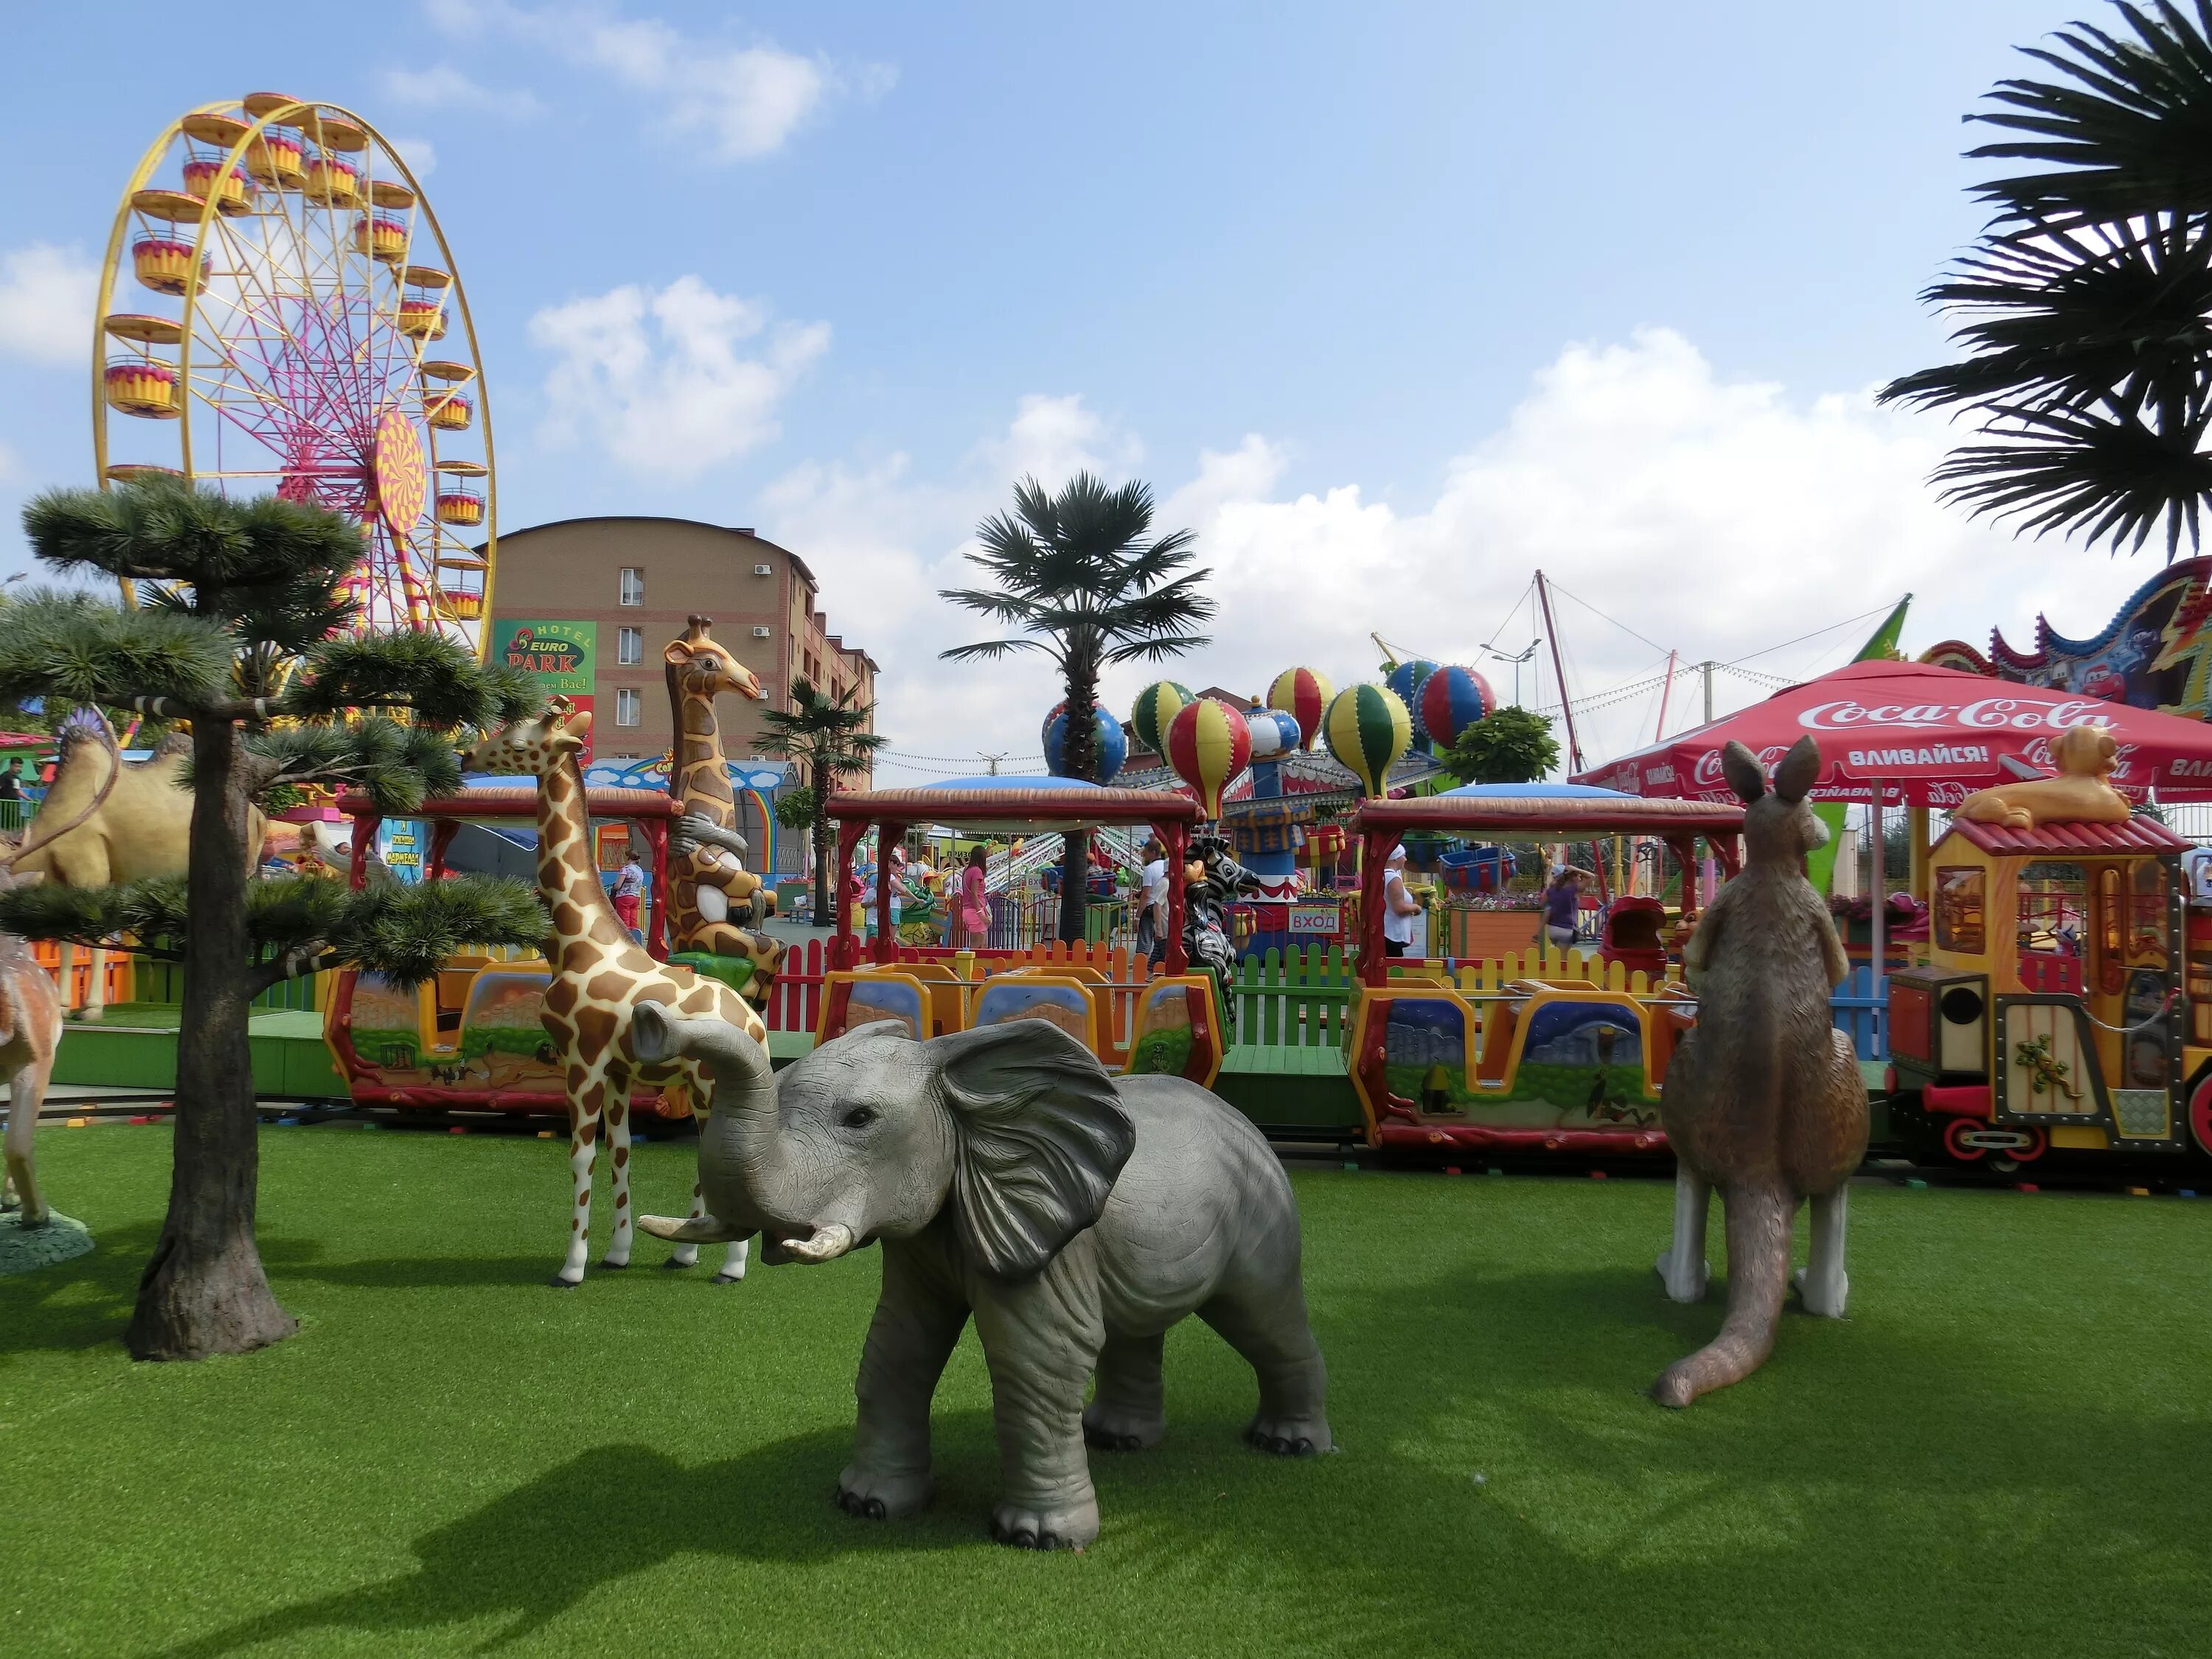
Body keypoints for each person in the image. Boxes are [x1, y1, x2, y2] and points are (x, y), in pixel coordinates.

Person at [1382, 844, 1422, 958]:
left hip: (1386, 932)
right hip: (1392, 934)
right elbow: (1399, 908)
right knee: (1394, 969)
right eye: (1403, 856)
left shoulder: (1384, 875)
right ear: (1396, 858)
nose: (1406, 859)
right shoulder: (1393, 879)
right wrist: (1416, 908)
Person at [1135, 837, 1167, 961]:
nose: (1145, 855)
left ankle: (1142, 967)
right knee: (1161, 941)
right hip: (1164, 908)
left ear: (1153, 853)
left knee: (1145, 941)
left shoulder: (1150, 869)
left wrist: (1138, 916)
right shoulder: (1165, 867)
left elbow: (1146, 894)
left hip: (1149, 908)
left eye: (1147, 852)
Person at [1544, 864, 1587, 950]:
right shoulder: (1572, 890)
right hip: (1566, 928)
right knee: (1563, 960)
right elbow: (1591, 877)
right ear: (1572, 877)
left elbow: (1542, 905)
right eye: (1578, 876)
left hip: (1552, 928)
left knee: (1556, 954)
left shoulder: (1551, 890)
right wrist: (1575, 868)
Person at [957, 843, 991, 949]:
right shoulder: (977, 871)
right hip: (975, 911)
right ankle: (972, 966)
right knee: (977, 947)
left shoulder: (967, 870)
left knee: (981, 945)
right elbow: (974, 893)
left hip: (968, 910)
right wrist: (980, 914)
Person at [612, 848, 646, 942]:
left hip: (624, 897)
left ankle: (626, 941)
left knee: (624, 921)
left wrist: (614, 886)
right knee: (633, 919)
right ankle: (636, 939)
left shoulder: (626, 869)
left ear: (628, 858)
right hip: (636, 897)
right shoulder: (639, 870)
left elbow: (618, 886)